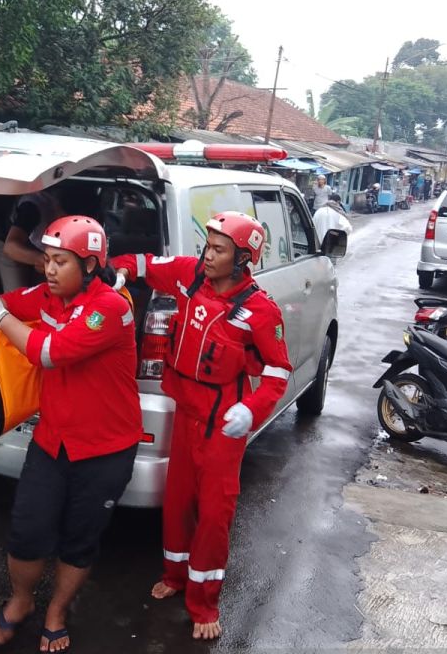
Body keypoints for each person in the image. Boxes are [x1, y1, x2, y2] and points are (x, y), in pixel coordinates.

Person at [111, 212, 292, 641]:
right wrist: (116, 269)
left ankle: (204, 601)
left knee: (213, 514)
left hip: (222, 421)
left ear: (243, 259)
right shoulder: (188, 276)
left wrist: (251, 411)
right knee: (176, 503)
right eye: (206, 246)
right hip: (185, 411)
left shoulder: (260, 311)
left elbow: (278, 371)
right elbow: (144, 264)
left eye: (219, 250)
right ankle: (175, 575)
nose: (207, 256)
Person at [0, 216, 141, 653]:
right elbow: (8, 301)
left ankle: (57, 611)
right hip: (53, 441)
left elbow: (49, 353)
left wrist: (0, 316)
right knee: (27, 531)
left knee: (79, 539)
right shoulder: (49, 294)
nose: (48, 269)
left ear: (88, 265)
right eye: (47, 259)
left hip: (106, 448)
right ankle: (22, 601)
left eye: (60, 261)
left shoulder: (112, 307)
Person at [2, 187, 65, 271]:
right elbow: (10, 248)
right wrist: (46, 260)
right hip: (8, 240)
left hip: (40, 245)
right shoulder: (32, 208)